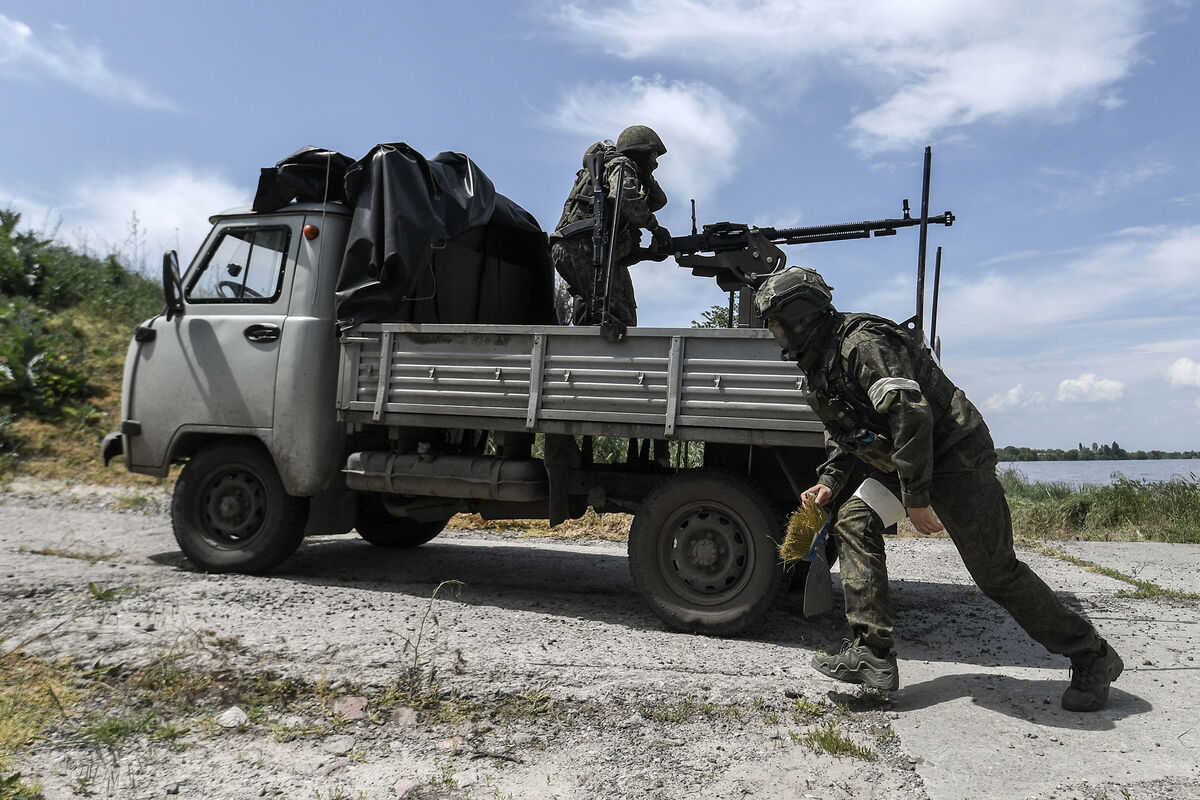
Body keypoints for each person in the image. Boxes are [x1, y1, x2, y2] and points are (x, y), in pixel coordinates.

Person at [754, 266, 1123, 712]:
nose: (772, 332)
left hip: (956, 460)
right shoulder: (821, 363)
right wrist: (830, 481)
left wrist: (917, 498)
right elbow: (845, 430)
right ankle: (872, 654)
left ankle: (1092, 656)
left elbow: (912, 414)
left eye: (774, 321)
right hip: (907, 460)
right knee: (853, 520)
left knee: (997, 575)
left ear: (799, 316)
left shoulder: (863, 345)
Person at [549, 125, 672, 326]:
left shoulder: (616, 206)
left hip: (590, 253)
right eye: (653, 155)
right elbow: (625, 196)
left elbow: (658, 201)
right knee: (617, 318)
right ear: (638, 151)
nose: (655, 162)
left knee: (622, 316)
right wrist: (656, 229)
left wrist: (647, 254)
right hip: (581, 250)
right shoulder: (621, 165)